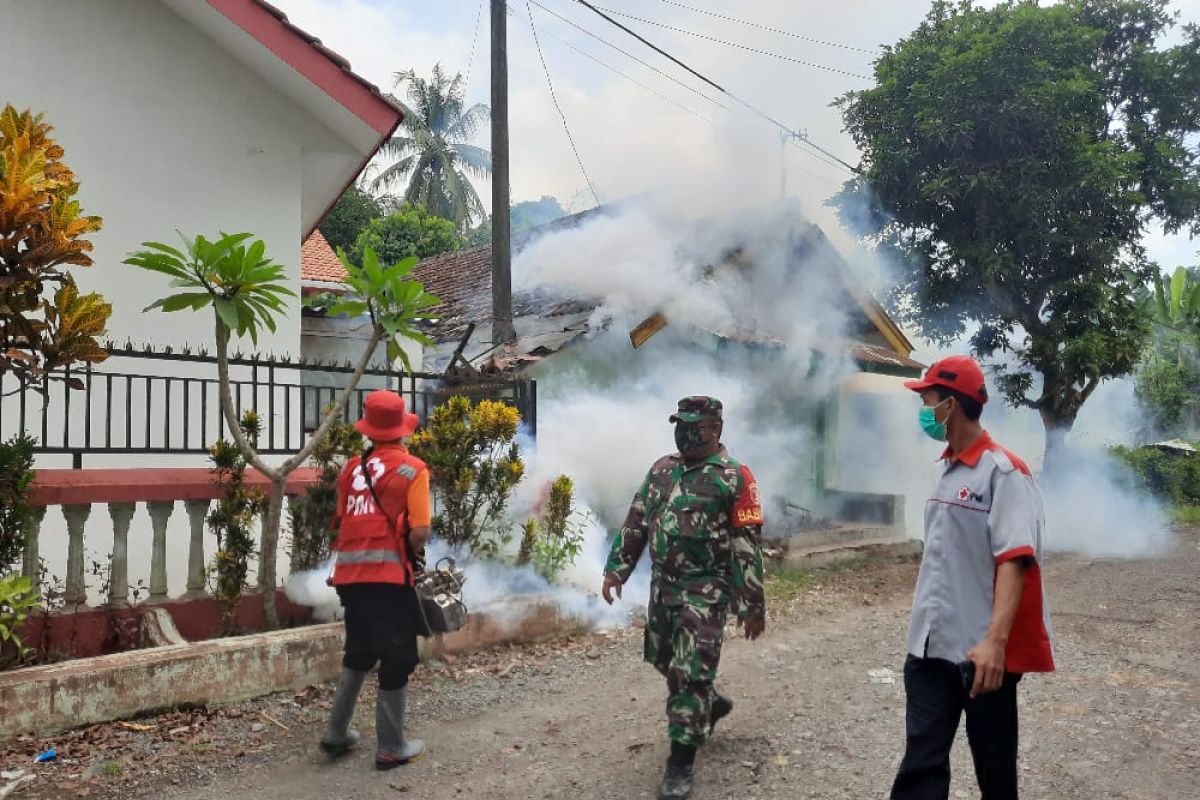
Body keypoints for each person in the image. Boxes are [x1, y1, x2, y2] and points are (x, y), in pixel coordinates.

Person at [891, 356, 1055, 800]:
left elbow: (1014, 559)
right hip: (927, 647)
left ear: (950, 404)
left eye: (926, 399)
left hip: (981, 656)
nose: (922, 408)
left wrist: (995, 643)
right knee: (921, 765)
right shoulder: (942, 469)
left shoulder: (1004, 474)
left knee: (994, 768)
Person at [602, 396, 766, 800]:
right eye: (678, 423)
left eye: (693, 425)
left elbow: (747, 546)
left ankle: (680, 765)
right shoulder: (662, 468)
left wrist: (751, 603)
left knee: (689, 672)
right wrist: (616, 569)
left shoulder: (734, 477)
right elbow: (637, 519)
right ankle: (709, 702)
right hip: (664, 586)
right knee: (662, 658)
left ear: (715, 430)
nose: (682, 432)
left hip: (706, 589)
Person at [320, 390, 431, 771]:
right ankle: (391, 747)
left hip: (351, 576)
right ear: (401, 429)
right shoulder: (413, 469)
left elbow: (343, 517)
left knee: (359, 652)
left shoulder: (351, 468)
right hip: (388, 577)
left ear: (369, 428)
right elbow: (420, 530)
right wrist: (412, 553)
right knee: (397, 656)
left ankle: (336, 733)